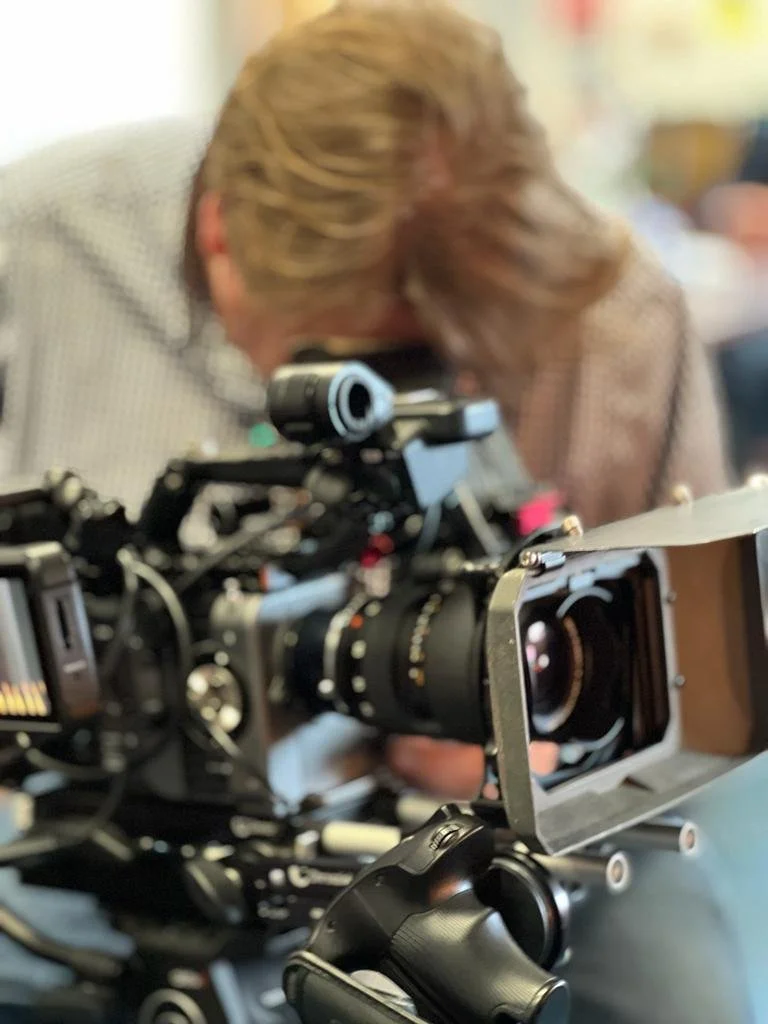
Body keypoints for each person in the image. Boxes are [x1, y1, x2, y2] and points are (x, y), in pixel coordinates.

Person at [0, 3, 755, 1022]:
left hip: (528, 833)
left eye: (456, 366)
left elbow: (692, 696)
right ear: (221, 234)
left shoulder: (611, 319)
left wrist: (546, 756)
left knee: (681, 1001)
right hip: (132, 825)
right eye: (363, 370)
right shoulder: (42, 252)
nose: (408, 409)